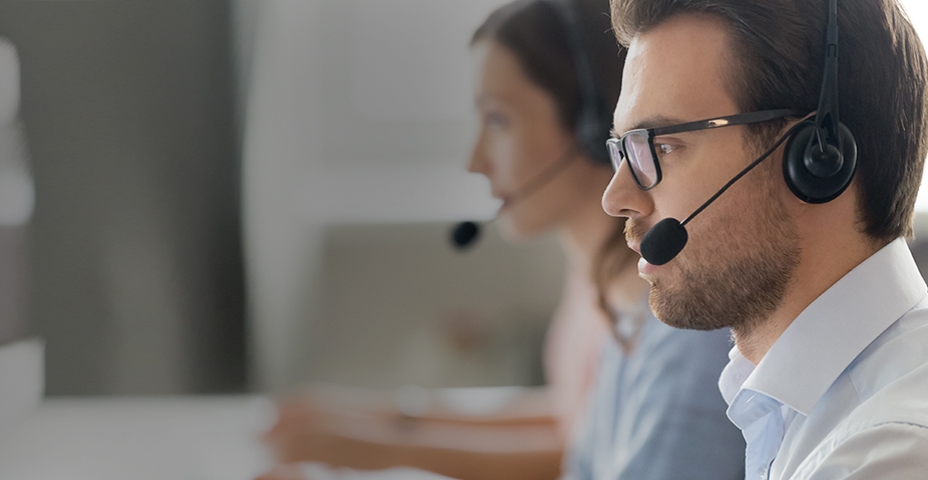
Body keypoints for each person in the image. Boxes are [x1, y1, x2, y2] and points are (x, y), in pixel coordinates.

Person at [261, 1, 744, 479]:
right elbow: (581, 439)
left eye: (498, 120)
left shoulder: (668, 324)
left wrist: (386, 446)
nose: (475, 161)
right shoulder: (605, 285)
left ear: (589, 127)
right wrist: (388, 422)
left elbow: (570, 446)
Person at [600, 0, 928, 478]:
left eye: (662, 147)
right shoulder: (808, 409)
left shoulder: (896, 455)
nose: (616, 198)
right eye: (624, 151)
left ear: (818, 160)